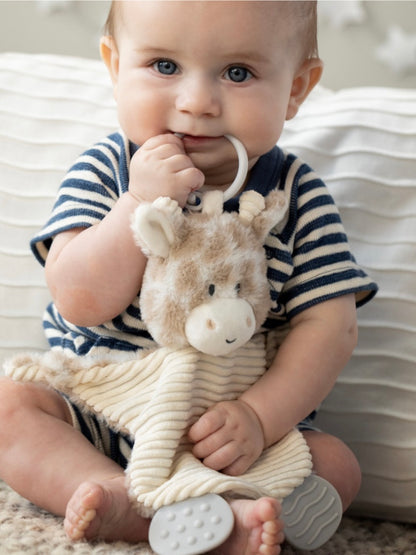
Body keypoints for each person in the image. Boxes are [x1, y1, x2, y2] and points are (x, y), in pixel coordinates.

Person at [0, 2, 377, 554]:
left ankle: (239, 511)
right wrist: (138, 201)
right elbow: (79, 299)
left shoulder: (295, 195)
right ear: (114, 65)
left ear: (296, 88)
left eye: (238, 73)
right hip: (103, 413)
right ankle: (115, 495)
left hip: (229, 433)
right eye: (164, 66)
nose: (197, 102)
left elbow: (330, 328)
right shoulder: (108, 169)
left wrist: (260, 416)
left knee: (337, 465)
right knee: (12, 408)